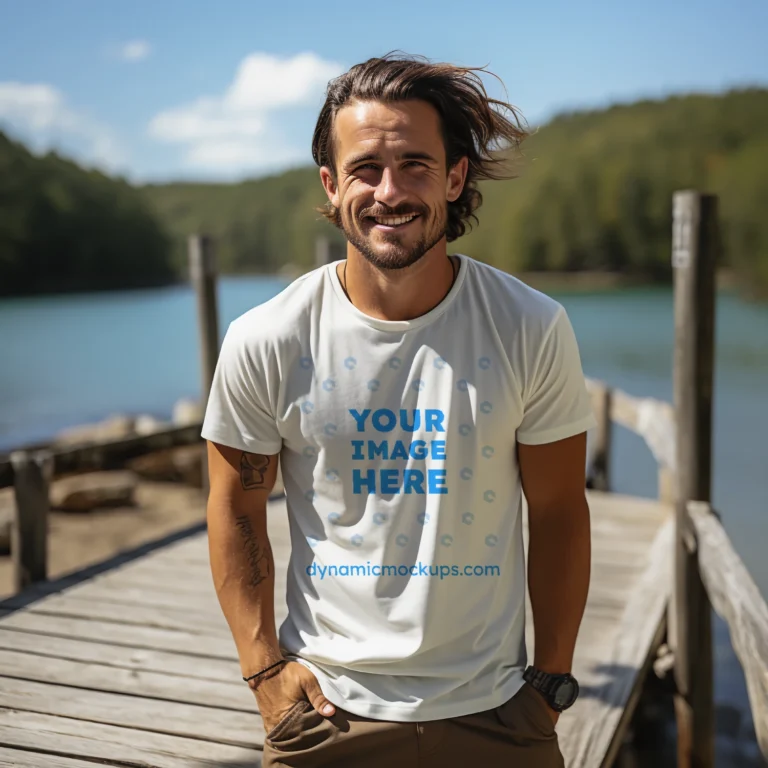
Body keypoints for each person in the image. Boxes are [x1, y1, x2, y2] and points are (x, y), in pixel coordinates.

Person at [202, 52, 596, 767]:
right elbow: (233, 503)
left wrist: (551, 682)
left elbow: (561, 509)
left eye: (416, 164)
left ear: (455, 177)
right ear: (331, 185)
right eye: (365, 169)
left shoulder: (528, 327)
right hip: (326, 713)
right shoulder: (268, 338)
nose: (390, 191)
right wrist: (263, 672)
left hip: (498, 712)